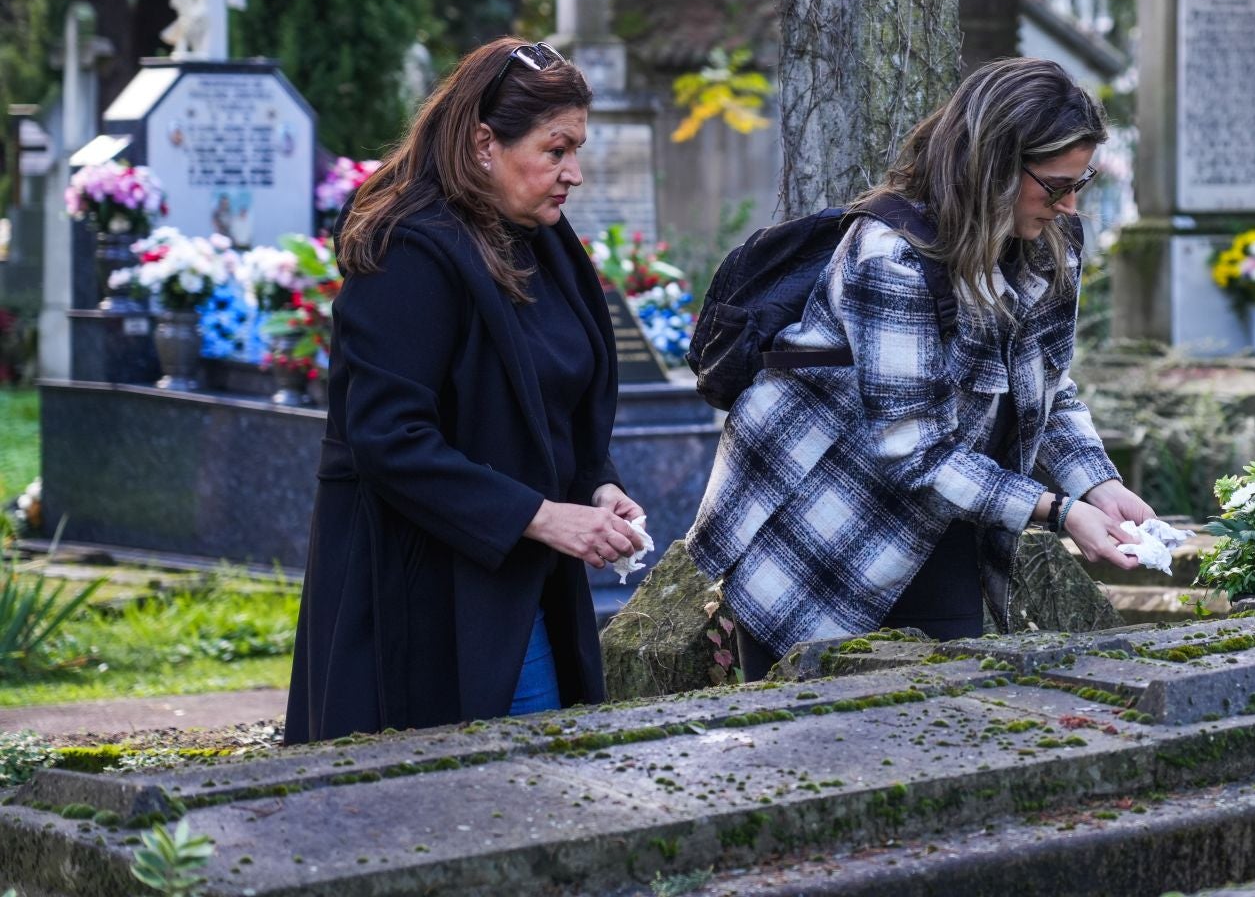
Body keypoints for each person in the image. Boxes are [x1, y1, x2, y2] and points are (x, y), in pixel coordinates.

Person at [690, 57, 1161, 678]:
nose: (1070, 205)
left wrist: (1098, 485)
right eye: (1054, 185)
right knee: (815, 751)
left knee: (944, 724)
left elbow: (1048, 390)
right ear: (992, 166)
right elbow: (912, 452)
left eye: (1082, 182)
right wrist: (1058, 510)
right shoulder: (892, 256)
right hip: (817, 539)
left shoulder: (1050, 246)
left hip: (941, 523)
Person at [285, 38, 648, 742]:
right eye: (556, 149)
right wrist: (540, 516)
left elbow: (550, 397)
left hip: (521, 575)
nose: (574, 173)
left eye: (577, 150)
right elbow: (388, 438)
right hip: (425, 592)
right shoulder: (407, 249)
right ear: (485, 142)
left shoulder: (540, 239)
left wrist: (596, 484)